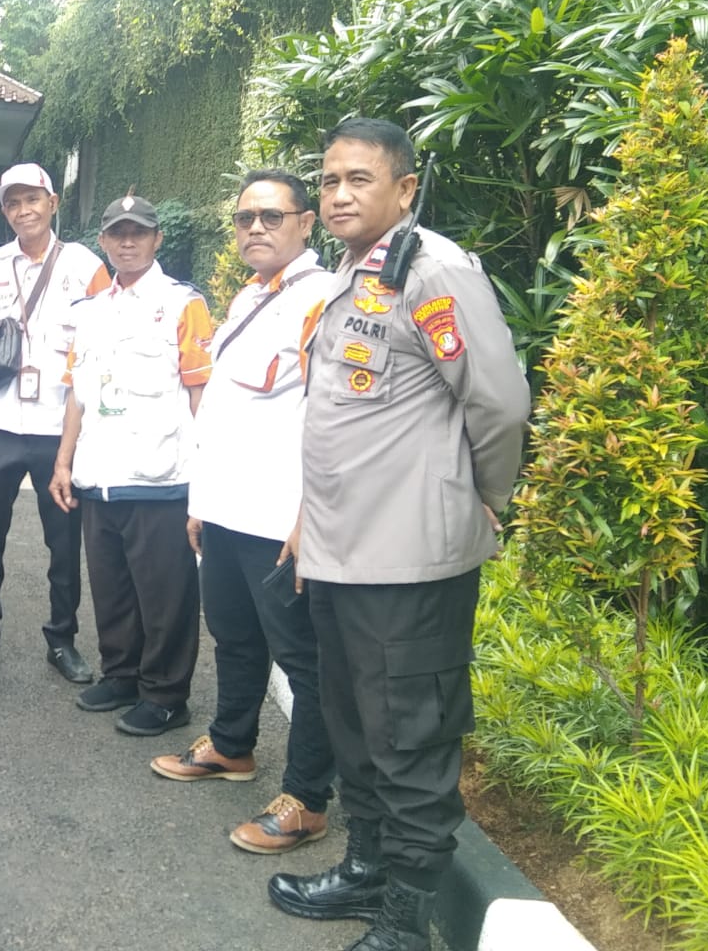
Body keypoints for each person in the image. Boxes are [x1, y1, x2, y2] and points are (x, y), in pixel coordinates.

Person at [267, 119, 530, 950]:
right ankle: (368, 869)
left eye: (360, 179)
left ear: (406, 188)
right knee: (355, 728)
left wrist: (486, 495)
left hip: (409, 561)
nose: (339, 194)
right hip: (342, 553)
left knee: (410, 741)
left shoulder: (435, 271)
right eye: (329, 180)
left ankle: (408, 921)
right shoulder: (355, 273)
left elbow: (499, 403)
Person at [149, 169, 340, 853]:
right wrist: (201, 502)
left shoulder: (325, 299)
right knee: (233, 637)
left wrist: (310, 515)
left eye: (271, 216)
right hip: (228, 510)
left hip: (279, 517)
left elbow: (331, 418)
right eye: (244, 218)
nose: (255, 227)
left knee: (303, 660)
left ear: (305, 223)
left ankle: (308, 799)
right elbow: (224, 412)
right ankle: (232, 745)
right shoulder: (249, 298)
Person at [48, 195, 213, 736]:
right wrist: (63, 462)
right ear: (102, 241)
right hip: (99, 477)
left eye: (138, 232)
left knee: (165, 596)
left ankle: (165, 695)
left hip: (160, 477)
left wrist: (207, 479)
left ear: (157, 239)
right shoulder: (89, 311)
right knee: (112, 589)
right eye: (117, 233)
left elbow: (201, 394)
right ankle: (121, 675)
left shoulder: (182, 304)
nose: (127, 242)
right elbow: (77, 394)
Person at [0, 164, 112, 683]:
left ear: (52, 203)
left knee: (63, 541)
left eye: (32, 199)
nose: (23, 210)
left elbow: (103, 348)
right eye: (13, 203)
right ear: (4, 211)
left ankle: (62, 641)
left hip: (59, 427)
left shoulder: (87, 267)